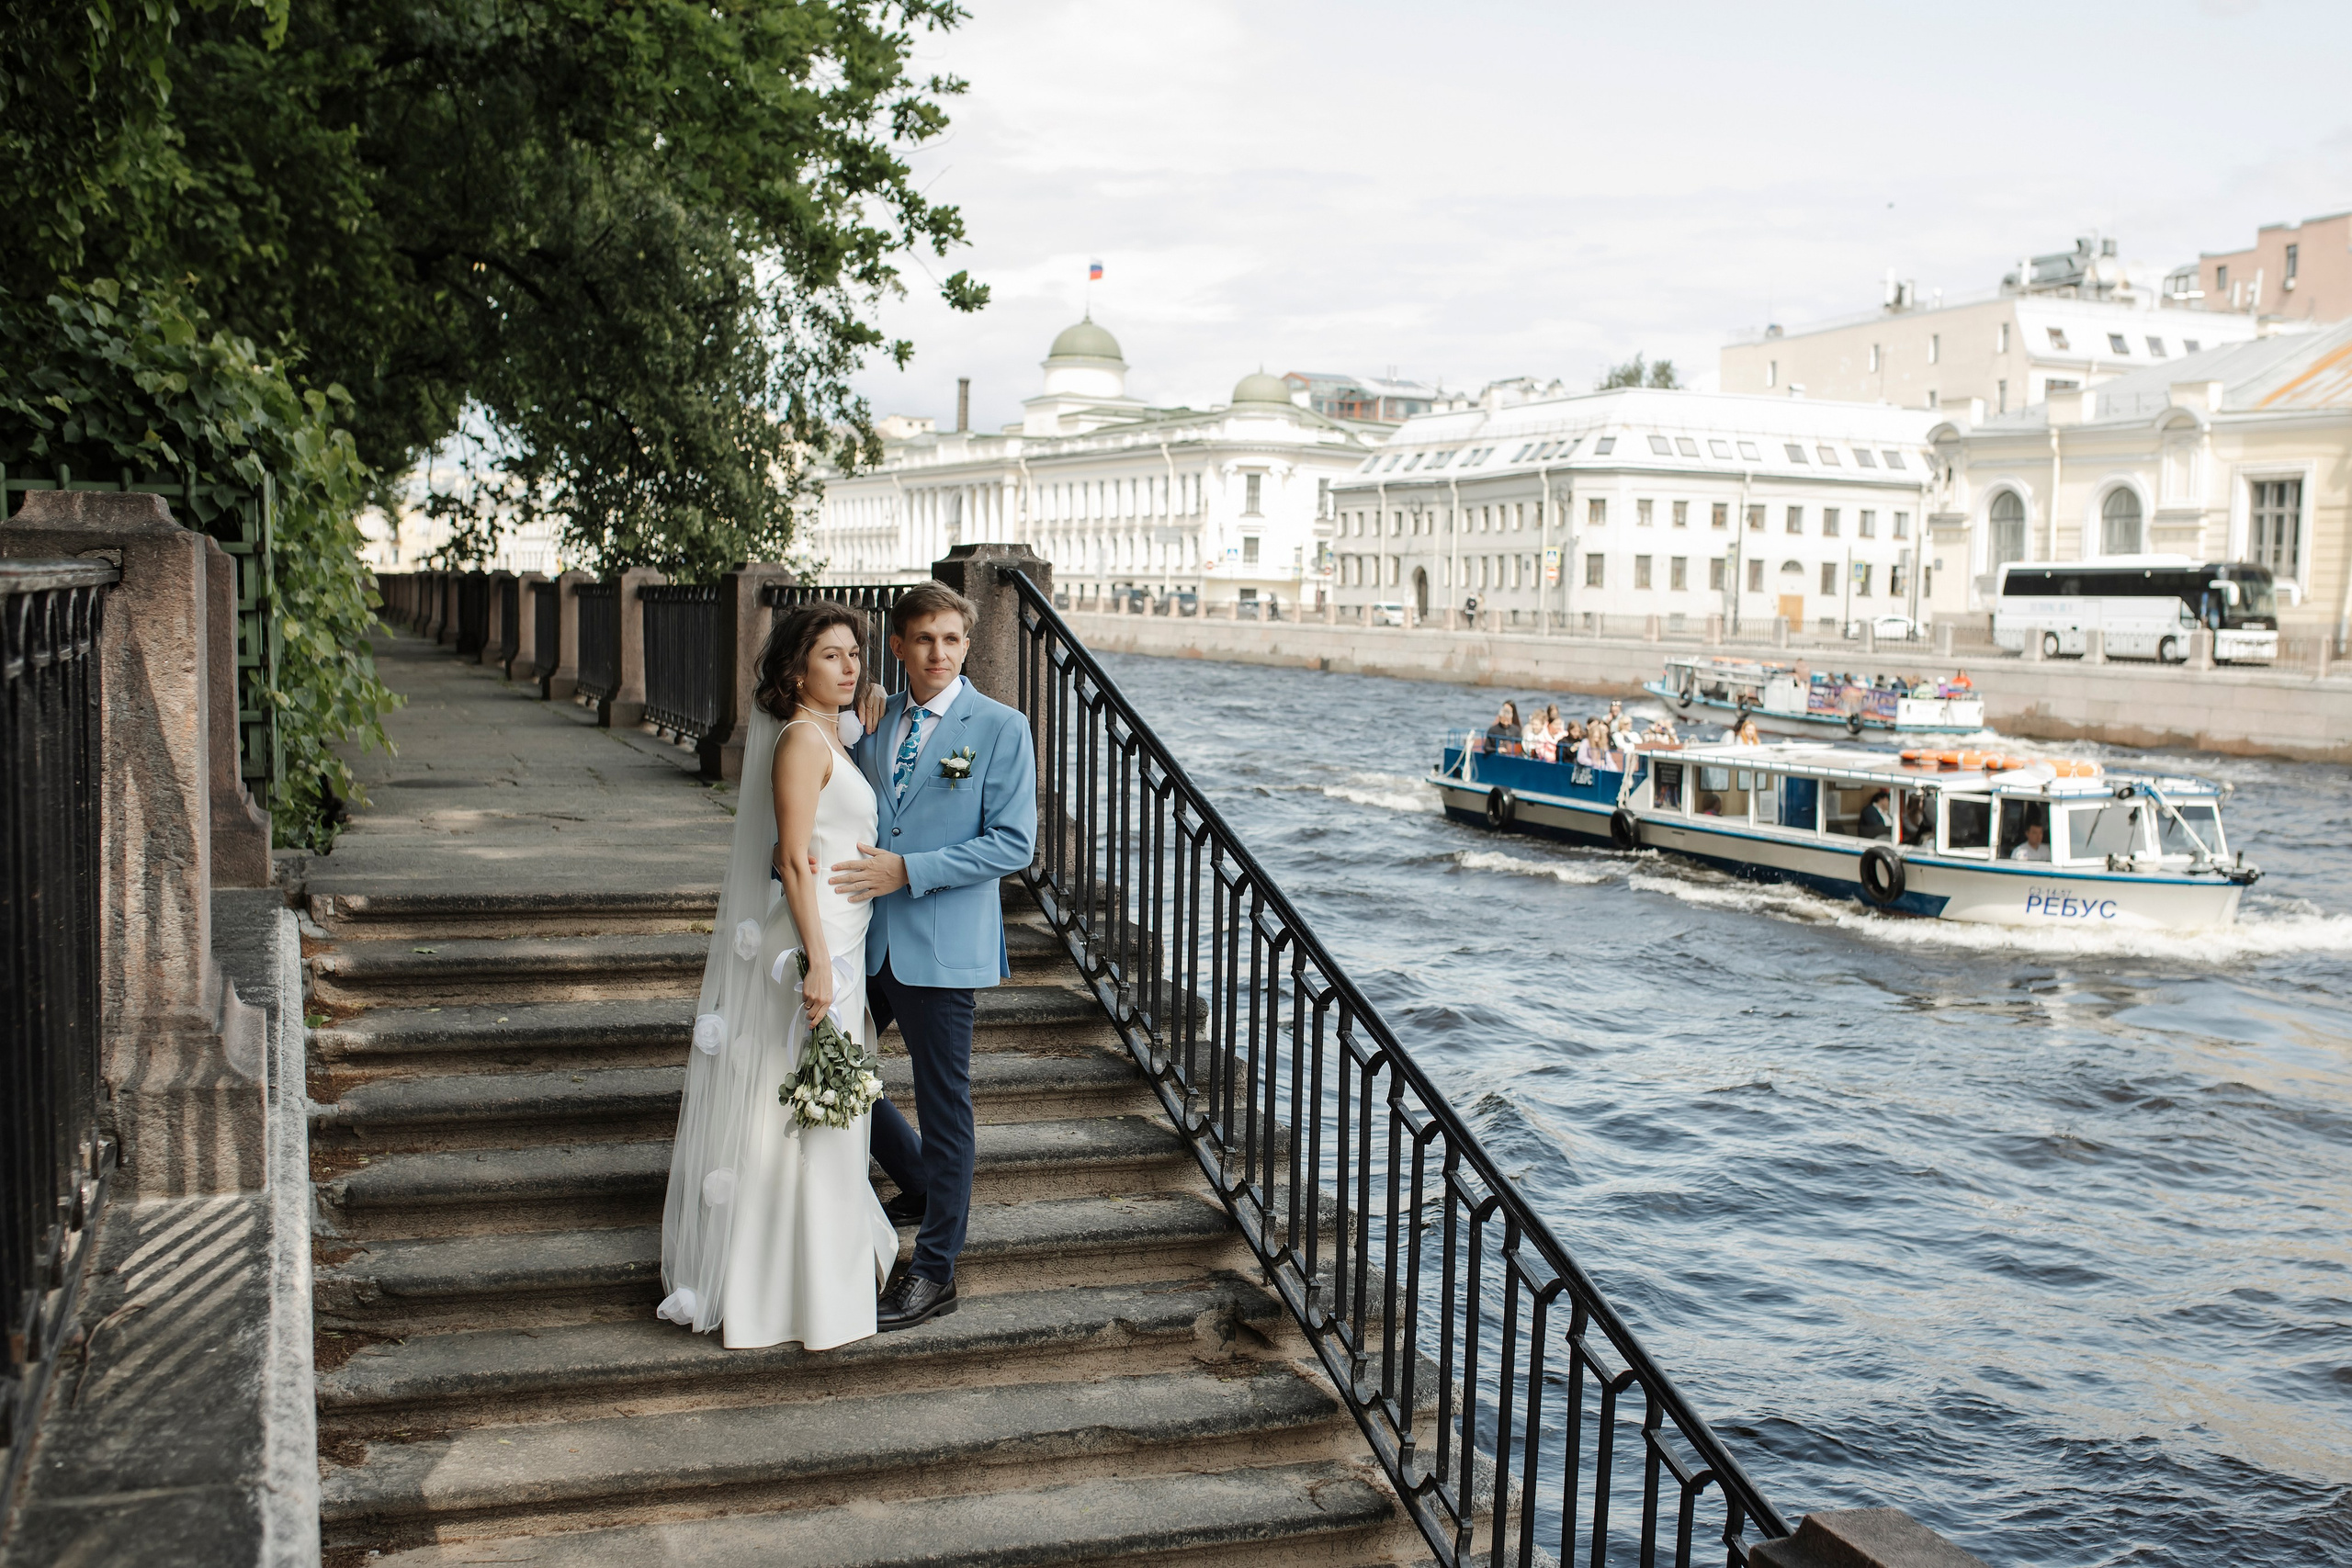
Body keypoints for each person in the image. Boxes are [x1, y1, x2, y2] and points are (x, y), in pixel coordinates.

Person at [659, 602, 899, 1350]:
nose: (851, 665)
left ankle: (818, 1284)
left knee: (827, 1119)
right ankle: (786, 1296)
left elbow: (844, 800)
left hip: (841, 936)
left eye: (855, 653)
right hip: (812, 941)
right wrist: (819, 961)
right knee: (803, 1118)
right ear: (796, 670)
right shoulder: (800, 738)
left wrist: (869, 716)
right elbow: (793, 858)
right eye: (832, 655)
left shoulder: (831, 730)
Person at [839, 581, 1039, 1331]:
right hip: (869, 935)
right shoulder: (876, 715)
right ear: (897, 645)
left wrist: (909, 870)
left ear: (966, 644)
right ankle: (916, 1175)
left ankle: (934, 1271)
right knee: (832, 1063)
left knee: (946, 1105)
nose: (938, 652)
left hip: (942, 943)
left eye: (951, 639)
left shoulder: (999, 726)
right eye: (923, 638)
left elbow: (1014, 843)